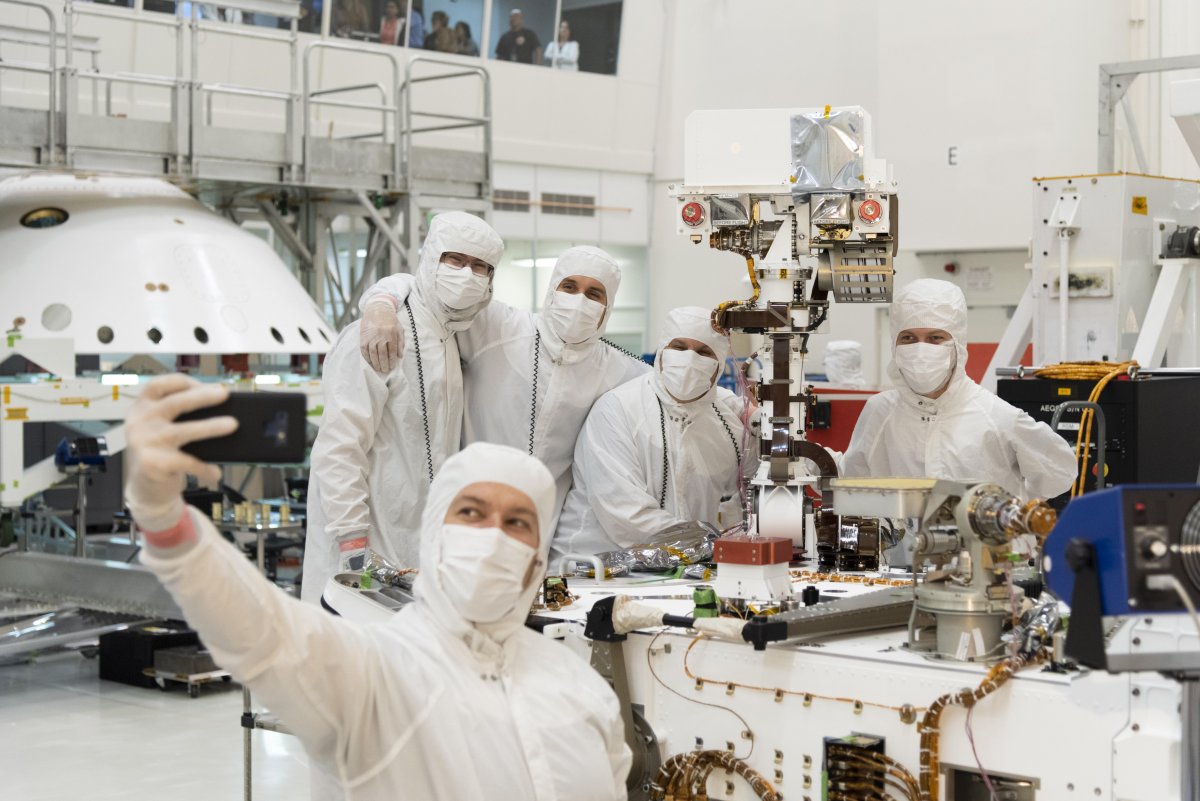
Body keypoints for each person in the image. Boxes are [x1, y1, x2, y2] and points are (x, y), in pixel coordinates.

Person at [122, 381, 632, 800]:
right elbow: (263, 632)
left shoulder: (579, 688)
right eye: (471, 512)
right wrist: (166, 523)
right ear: (434, 535)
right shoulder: (373, 673)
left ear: (538, 556)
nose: (493, 535)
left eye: (517, 521)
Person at [358, 246, 650, 530]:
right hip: (462, 515)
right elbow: (423, 290)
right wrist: (381, 303)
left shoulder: (619, 369)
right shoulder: (501, 328)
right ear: (551, 291)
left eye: (594, 294)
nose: (579, 301)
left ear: (607, 306)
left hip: (539, 531)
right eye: (569, 287)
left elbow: (668, 391)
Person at [301, 212, 503, 606]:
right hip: (362, 546)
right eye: (455, 260)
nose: (467, 275)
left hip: (417, 545)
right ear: (431, 259)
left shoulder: (453, 332)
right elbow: (340, 449)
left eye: (481, 267)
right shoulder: (380, 335)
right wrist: (353, 544)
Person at [841, 279, 1077, 500]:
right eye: (909, 338)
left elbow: (1058, 475)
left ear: (957, 345)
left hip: (984, 544)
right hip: (904, 545)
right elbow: (851, 482)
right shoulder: (880, 411)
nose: (921, 349)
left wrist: (1016, 504)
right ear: (894, 344)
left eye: (935, 337)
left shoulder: (995, 416)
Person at [553, 307, 745, 561]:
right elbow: (626, 514)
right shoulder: (618, 408)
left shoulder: (727, 420)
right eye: (678, 347)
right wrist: (712, 544)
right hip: (598, 566)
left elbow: (749, 493)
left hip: (686, 568)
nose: (689, 359)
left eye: (703, 352)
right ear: (662, 352)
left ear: (719, 363)